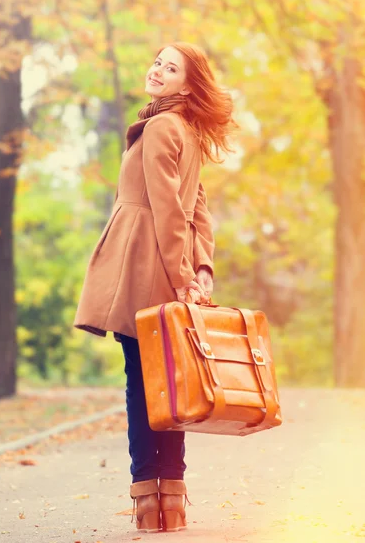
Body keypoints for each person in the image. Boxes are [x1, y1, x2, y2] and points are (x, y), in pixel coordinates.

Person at [74, 42, 237, 533]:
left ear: (187, 85)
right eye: (157, 62)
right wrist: (201, 267)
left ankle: (149, 501)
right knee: (170, 385)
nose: (158, 70)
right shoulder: (184, 129)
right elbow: (198, 208)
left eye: (171, 68)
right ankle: (172, 499)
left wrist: (184, 274)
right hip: (169, 261)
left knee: (142, 385)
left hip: (148, 261)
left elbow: (172, 209)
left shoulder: (164, 126)